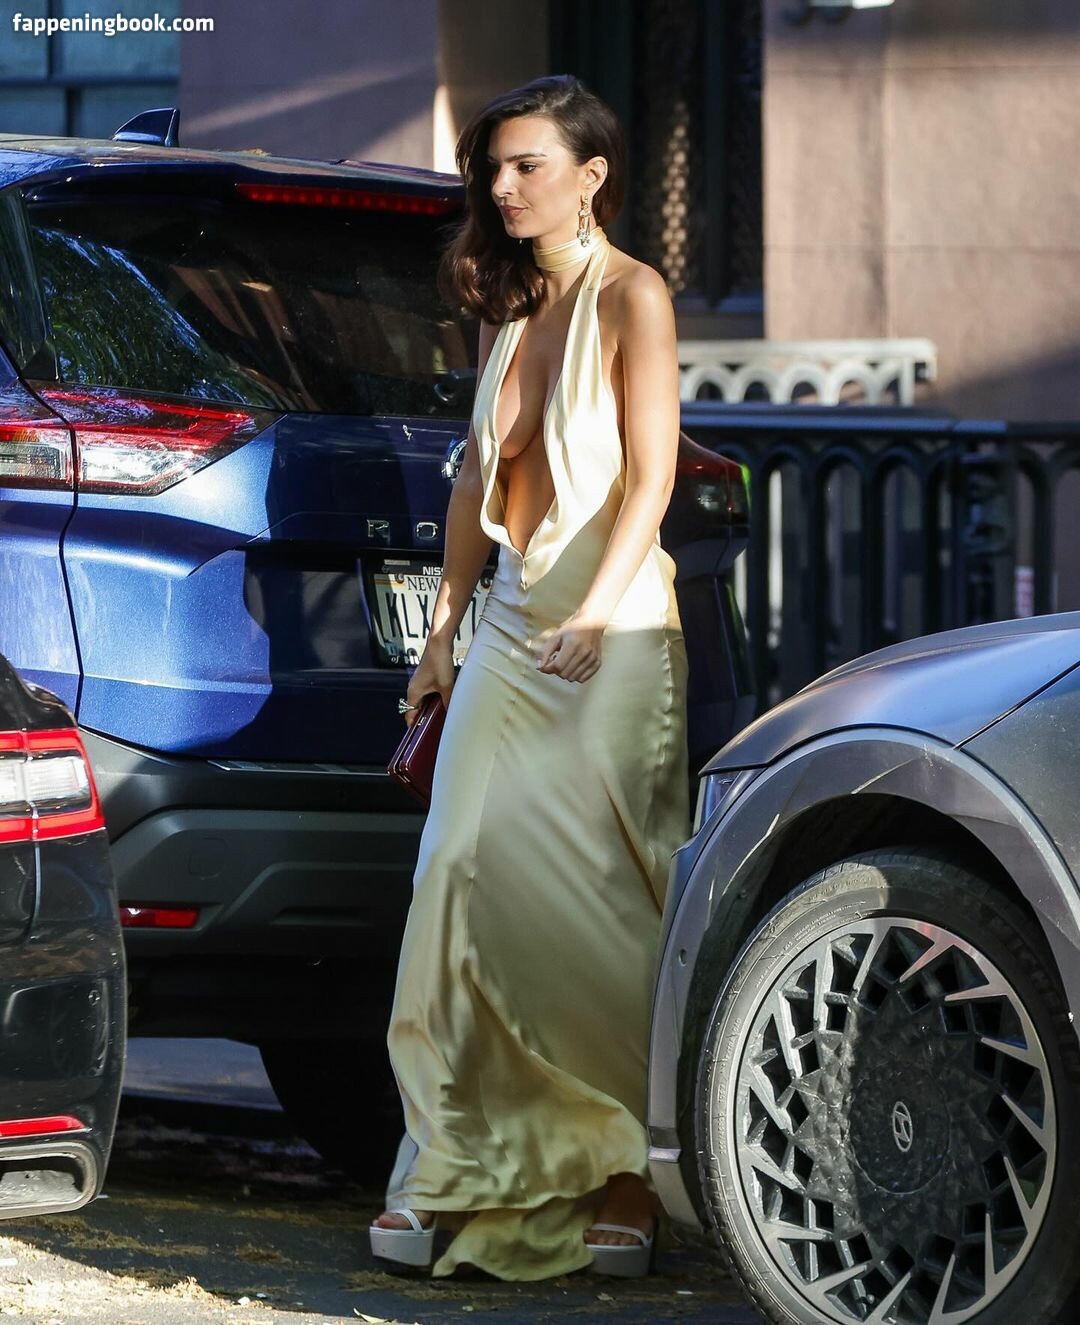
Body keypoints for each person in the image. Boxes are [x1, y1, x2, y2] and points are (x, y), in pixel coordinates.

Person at [369, 72, 690, 1282]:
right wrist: (443, 631)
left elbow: (651, 478)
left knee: (600, 900)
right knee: (454, 871)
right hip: (508, 623)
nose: (502, 188)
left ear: (592, 175)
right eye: (493, 169)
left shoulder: (634, 295)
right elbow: (474, 478)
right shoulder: (509, 305)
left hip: (617, 628)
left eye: (526, 166)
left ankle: (630, 1168)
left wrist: (598, 613)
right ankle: (450, 1156)